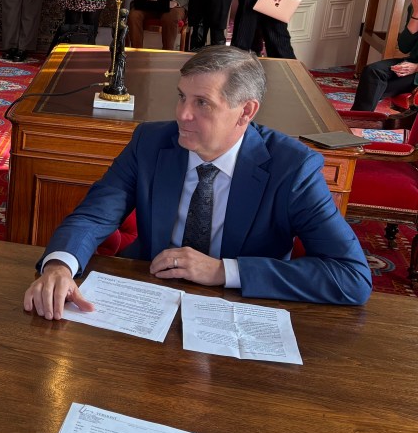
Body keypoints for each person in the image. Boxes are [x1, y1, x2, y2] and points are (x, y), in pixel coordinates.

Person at [21, 46, 371, 320]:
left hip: (238, 309)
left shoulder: (292, 168)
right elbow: (95, 215)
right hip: (146, 295)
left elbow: (351, 276)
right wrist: (59, 266)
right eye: (181, 97)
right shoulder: (151, 142)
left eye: (202, 103)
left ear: (246, 112)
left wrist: (223, 271)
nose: (182, 114)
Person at [351, 0, 418, 111]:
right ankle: (359, 120)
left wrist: (416, 68)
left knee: (372, 88)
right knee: (372, 72)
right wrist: (416, 14)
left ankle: (358, 122)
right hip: (411, 63)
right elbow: (404, 47)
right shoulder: (414, 7)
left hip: (415, 70)